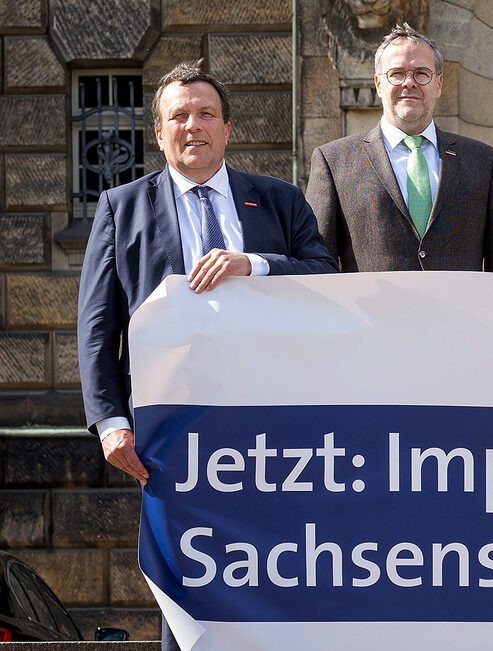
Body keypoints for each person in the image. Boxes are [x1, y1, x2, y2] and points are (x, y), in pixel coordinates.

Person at [79, 60, 336, 485]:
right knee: (180, 545)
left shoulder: (280, 199)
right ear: (160, 135)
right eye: (179, 116)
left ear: (227, 128)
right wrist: (110, 422)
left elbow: (324, 277)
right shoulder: (120, 208)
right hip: (164, 417)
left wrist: (253, 264)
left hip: (272, 408)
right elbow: (96, 327)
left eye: (206, 114)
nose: (193, 125)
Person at [306, 24, 493, 272]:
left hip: (460, 311)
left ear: (439, 84)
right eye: (397, 73)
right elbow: (317, 266)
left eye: (422, 73)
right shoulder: (333, 161)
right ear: (378, 84)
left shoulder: (484, 161)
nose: (409, 82)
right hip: (371, 311)